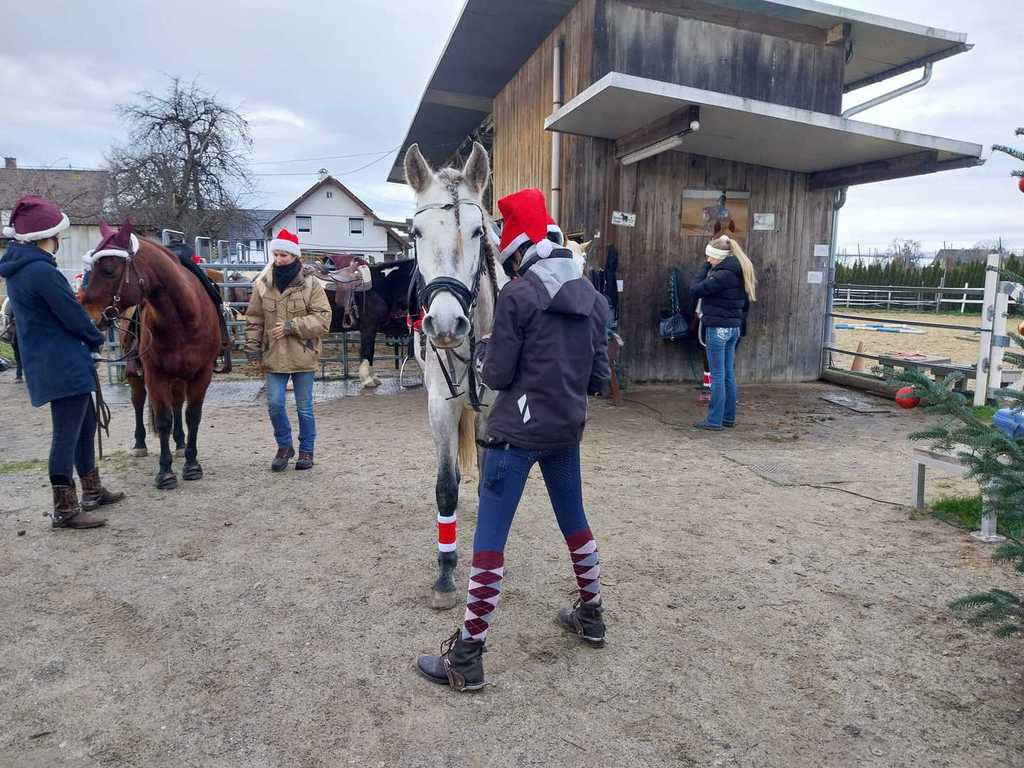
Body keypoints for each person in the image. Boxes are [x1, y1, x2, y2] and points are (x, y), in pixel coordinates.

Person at [416, 188, 611, 692]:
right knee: (576, 524)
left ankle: (468, 658)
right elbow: (597, 379)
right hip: (565, 433)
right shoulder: (594, 301)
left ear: (518, 251)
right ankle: (592, 615)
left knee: (490, 541)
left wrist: (484, 350)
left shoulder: (518, 297)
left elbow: (498, 376)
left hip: (514, 438)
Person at [0, 196, 124, 528]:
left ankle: (92, 490)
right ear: (48, 235)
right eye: (58, 235)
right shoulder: (41, 271)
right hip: (62, 362)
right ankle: (65, 509)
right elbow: (72, 315)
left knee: (85, 426)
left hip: (54, 359)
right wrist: (96, 337)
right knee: (66, 435)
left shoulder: (22, 268)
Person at [244, 228, 331, 471]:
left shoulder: (311, 284)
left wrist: (292, 326)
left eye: (284, 255)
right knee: (274, 404)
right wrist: (252, 349)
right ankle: (284, 446)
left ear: (294, 256)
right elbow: (254, 319)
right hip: (274, 355)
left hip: (303, 353)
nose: (279, 259)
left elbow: (323, 318)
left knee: (305, 408)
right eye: (276, 254)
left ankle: (306, 451)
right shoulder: (263, 284)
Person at [690, 233, 757, 430]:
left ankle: (714, 420)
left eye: (710, 256)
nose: (708, 260)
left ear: (718, 256)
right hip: (733, 328)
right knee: (728, 374)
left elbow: (695, 290)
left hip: (718, 329)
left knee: (717, 376)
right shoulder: (740, 270)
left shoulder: (721, 276)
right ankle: (728, 417)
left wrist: (704, 268)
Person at [1, 297, 22, 382]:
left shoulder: (11, 301)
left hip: (18, 333)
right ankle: (19, 374)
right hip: (19, 332)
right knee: (19, 353)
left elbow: (7, 318)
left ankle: (19, 375)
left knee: (18, 354)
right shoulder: (11, 301)